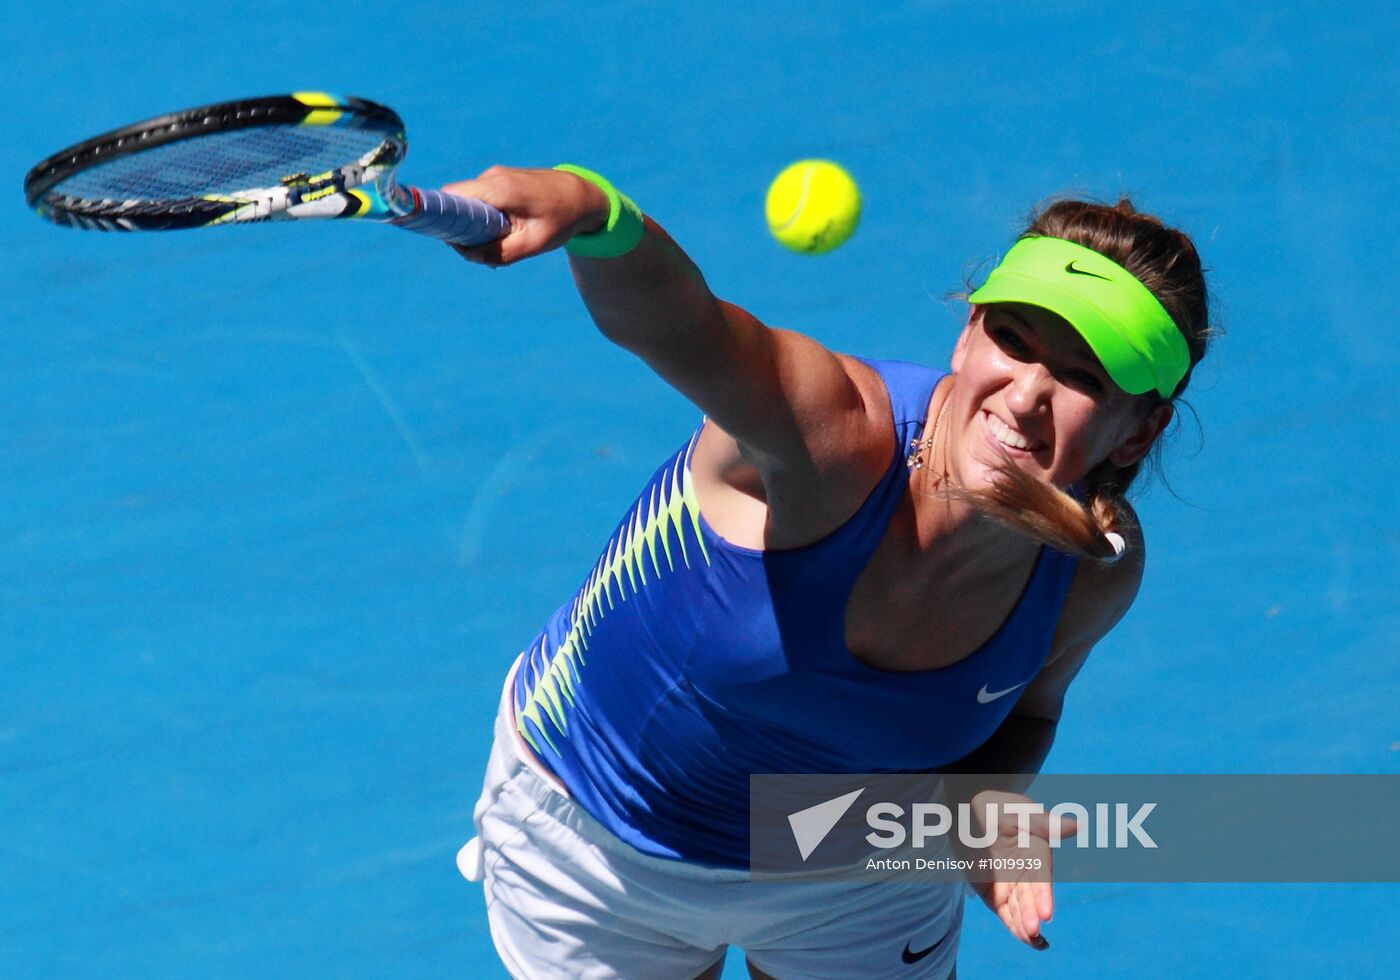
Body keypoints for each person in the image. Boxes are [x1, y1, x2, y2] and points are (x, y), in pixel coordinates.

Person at [447, 164, 1213, 979]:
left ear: (1139, 432)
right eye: (1012, 341)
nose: (1025, 395)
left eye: (1081, 378)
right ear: (968, 333)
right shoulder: (831, 439)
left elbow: (1026, 711)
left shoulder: (1093, 570)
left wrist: (983, 805)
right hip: (596, 838)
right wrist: (599, 215)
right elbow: (685, 327)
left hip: (857, 864)